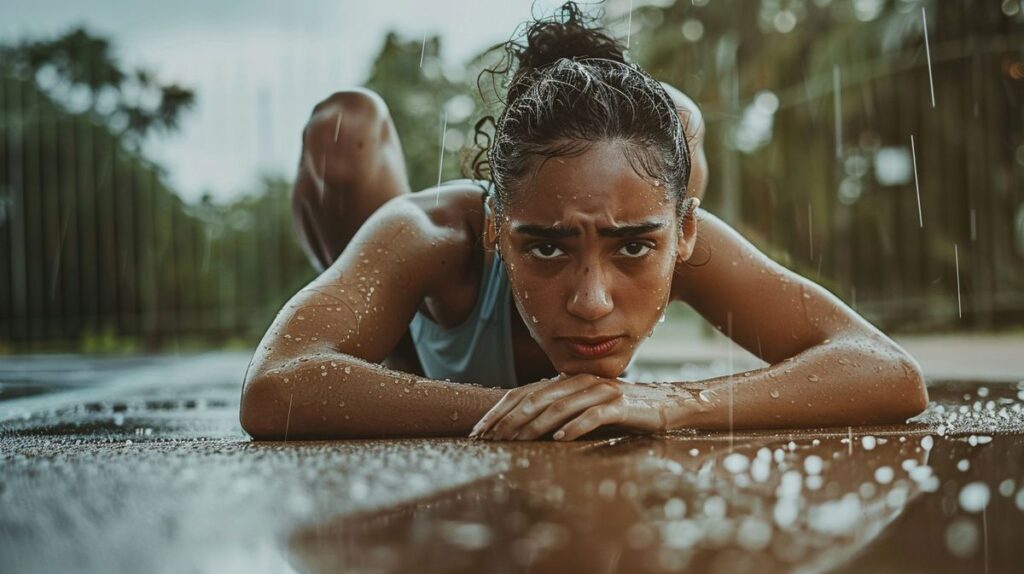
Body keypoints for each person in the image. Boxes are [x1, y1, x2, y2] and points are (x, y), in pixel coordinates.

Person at [239, 1, 927, 441]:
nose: (591, 301)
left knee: (676, 127)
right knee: (344, 127)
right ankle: (378, 309)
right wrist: (504, 410)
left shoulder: (674, 226)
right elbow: (277, 387)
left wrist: (672, 402)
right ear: (495, 226)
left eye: (632, 248)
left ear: (684, 231)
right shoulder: (434, 237)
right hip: (413, 339)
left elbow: (887, 372)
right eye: (544, 249)